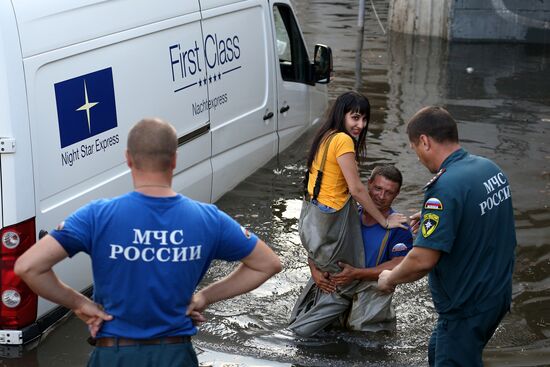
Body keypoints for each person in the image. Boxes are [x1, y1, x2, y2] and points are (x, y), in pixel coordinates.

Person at [15, 118, 282, 367]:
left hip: (114, 354)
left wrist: (81, 304)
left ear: (128, 159)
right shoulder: (208, 219)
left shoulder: (97, 216)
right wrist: (203, 298)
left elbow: (29, 267)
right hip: (175, 354)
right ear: (174, 160)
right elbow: (267, 263)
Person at [378, 106, 516, 366]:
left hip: (467, 307)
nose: (418, 157)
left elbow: (422, 260)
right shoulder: (490, 169)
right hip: (495, 294)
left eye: (414, 149)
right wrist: (434, 220)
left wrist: (389, 278)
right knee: (436, 352)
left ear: (425, 141)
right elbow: (480, 221)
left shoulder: (444, 187)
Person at [289, 92, 406, 336]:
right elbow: (355, 189)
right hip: (331, 223)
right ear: (341, 114)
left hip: (311, 219)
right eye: (355, 117)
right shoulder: (343, 140)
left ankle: (298, 321)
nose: (360, 125)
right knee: (343, 288)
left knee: (325, 279)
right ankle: (297, 334)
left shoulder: (325, 137)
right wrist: (384, 221)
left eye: (364, 119)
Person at [329, 165, 413, 330]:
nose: (381, 196)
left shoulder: (399, 227)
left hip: (371, 294)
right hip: (340, 286)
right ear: (368, 184)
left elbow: (400, 264)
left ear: (397, 194)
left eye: (388, 192)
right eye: (378, 188)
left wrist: (357, 274)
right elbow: (322, 243)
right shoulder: (350, 214)